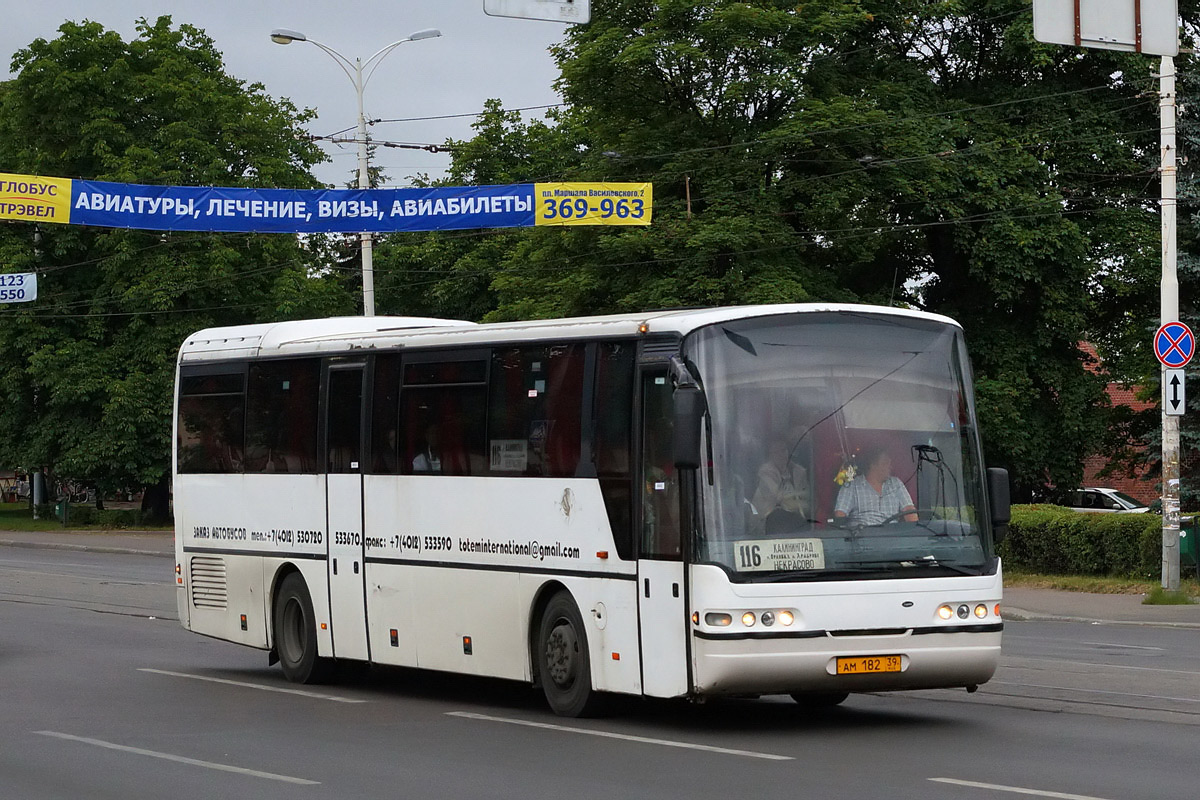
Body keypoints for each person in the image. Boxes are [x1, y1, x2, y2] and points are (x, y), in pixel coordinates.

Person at [834, 446, 916, 526]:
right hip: (862, 536)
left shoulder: (896, 484)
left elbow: (909, 511)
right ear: (872, 464)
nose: (890, 466)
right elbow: (840, 515)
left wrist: (914, 532)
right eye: (885, 463)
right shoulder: (851, 486)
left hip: (892, 536)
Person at [751, 439, 809, 532]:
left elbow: (808, 499)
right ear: (770, 455)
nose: (781, 455)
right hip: (767, 523)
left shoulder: (799, 472)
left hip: (799, 521)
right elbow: (779, 498)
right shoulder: (765, 473)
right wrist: (797, 498)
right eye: (776, 452)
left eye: (783, 450)